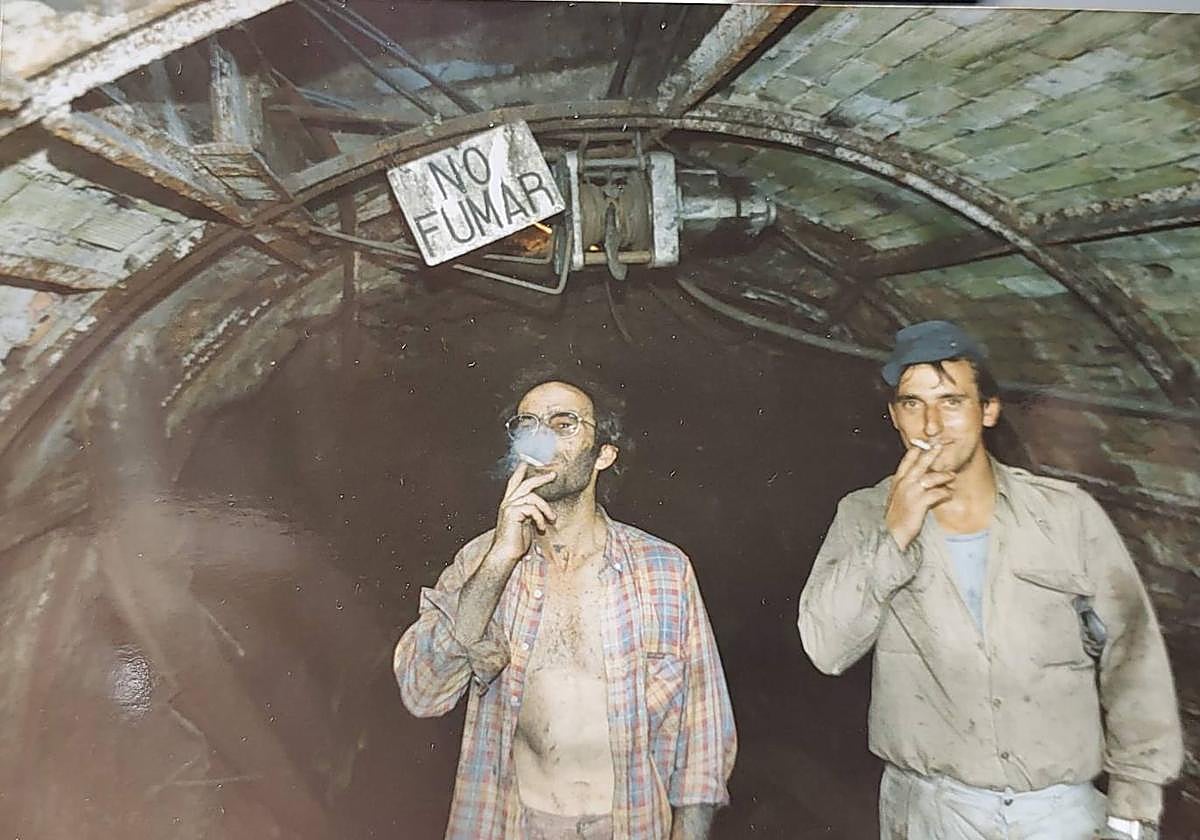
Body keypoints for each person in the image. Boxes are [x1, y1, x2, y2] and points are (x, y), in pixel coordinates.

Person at [797, 320, 1183, 840]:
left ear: (988, 410)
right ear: (894, 416)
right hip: (931, 811)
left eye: (952, 401)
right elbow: (825, 648)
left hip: (1060, 812)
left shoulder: (1066, 514)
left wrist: (1133, 810)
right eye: (913, 403)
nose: (932, 424)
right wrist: (895, 534)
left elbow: (1133, 658)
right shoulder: (864, 514)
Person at [394, 372, 736, 840]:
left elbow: (703, 737)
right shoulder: (481, 562)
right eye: (529, 425)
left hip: (630, 827)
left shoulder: (664, 570)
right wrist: (502, 556)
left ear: (604, 455)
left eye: (564, 424)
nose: (543, 440)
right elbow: (422, 692)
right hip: (511, 825)